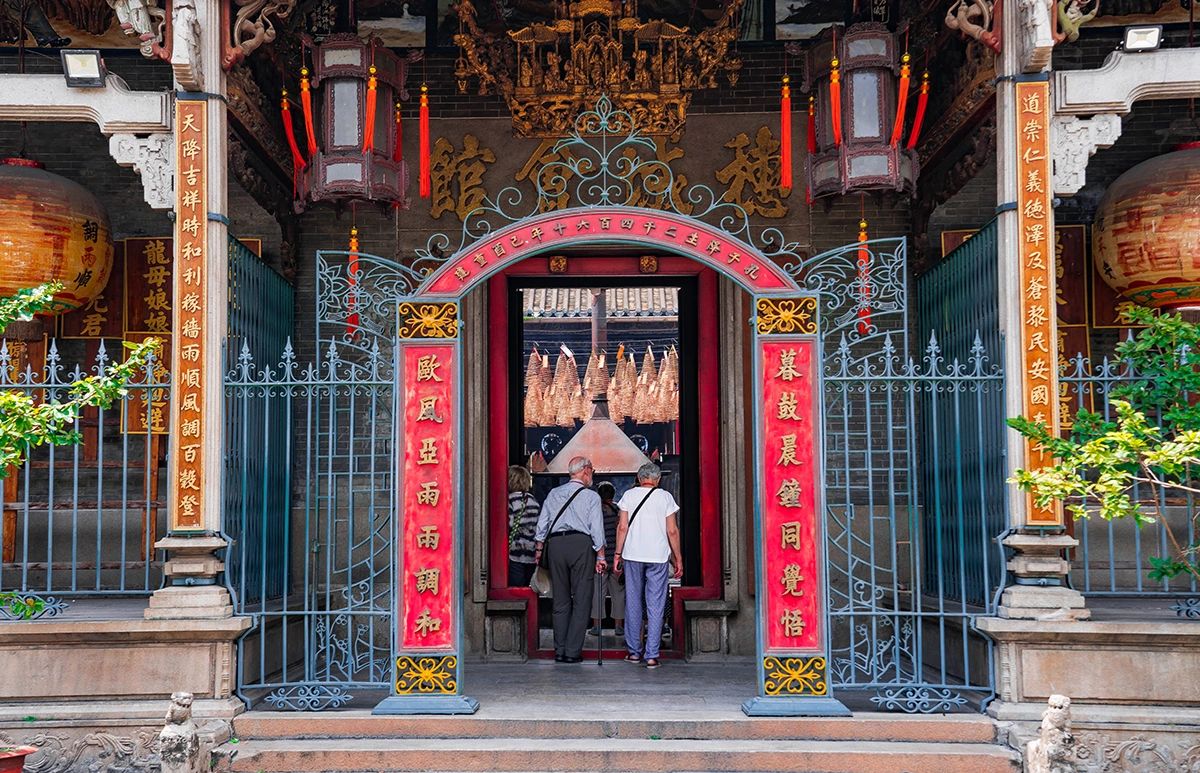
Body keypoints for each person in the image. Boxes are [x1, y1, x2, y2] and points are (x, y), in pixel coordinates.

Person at [534, 456, 607, 663]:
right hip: (581, 545)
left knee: (560, 600)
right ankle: (572, 652)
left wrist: (539, 549)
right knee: (582, 599)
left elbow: (543, 523)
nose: (592, 474)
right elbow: (596, 529)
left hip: (556, 546)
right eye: (591, 470)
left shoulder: (554, 493)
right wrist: (601, 555)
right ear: (584, 471)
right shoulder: (591, 497)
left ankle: (559, 650)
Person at [613, 462, 681, 670]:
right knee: (656, 603)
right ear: (658, 479)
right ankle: (651, 655)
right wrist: (678, 557)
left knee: (633, 601)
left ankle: (634, 652)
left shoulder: (629, 496)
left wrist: (617, 554)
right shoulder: (665, 497)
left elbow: (622, 527)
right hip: (658, 556)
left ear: (639, 478)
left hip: (633, 555)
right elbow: (672, 531)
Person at [590, 481, 625, 637]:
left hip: (600, 559)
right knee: (618, 594)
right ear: (613, 494)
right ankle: (618, 626)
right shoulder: (619, 510)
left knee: (598, 593)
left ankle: (597, 626)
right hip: (616, 559)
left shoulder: (595, 511)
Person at [507, 465, 540, 587]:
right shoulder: (533, 501)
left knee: (516, 587)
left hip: (514, 552)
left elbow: (509, 524)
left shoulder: (510, 500)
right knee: (528, 587)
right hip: (530, 552)